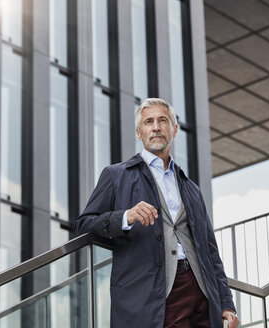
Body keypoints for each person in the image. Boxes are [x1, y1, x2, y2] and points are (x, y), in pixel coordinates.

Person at [75, 98, 239, 328]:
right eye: (148, 122)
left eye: (163, 120)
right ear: (139, 132)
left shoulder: (191, 188)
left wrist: (226, 304)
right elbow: (83, 225)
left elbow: (211, 252)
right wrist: (125, 217)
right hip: (153, 294)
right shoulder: (116, 176)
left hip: (202, 291)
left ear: (174, 129)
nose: (156, 127)